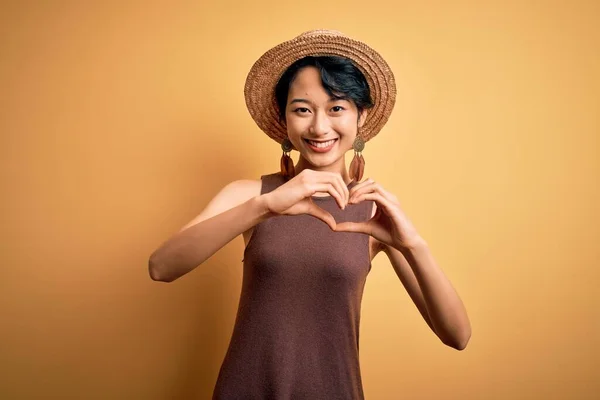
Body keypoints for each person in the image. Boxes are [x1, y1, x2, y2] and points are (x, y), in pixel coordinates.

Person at [148, 29, 471, 400]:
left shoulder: (373, 214)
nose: (319, 127)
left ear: (360, 116)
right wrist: (266, 207)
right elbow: (162, 267)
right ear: (284, 118)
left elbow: (457, 336)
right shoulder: (251, 196)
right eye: (302, 109)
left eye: (336, 108)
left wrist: (412, 245)